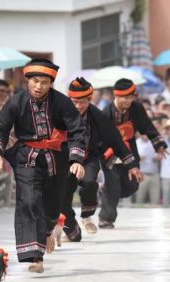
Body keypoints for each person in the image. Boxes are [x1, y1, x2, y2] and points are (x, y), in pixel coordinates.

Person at [0, 58, 86, 274]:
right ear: (27, 81)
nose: (38, 86)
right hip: (26, 159)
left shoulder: (62, 103)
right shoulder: (17, 101)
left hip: (56, 160)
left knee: (52, 208)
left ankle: (48, 229)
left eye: (44, 82)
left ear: (51, 83)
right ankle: (35, 257)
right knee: (29, 202)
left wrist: (77, 159)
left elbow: (78, 130)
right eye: (35, 81)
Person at [61, 77, 143, 240]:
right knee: (63, 194)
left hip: (88, 158)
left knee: (90, 183)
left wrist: (131, 164)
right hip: (65, 159)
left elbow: (116, 141)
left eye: (82, 102)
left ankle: (87, 215)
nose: (78, 106)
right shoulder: (60, 113)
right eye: (74, 102)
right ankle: (71, 229)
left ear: (89, 100)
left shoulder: (97, 116)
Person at [98, 78, 168, 229]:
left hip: (130, 150)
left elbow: (147, 126)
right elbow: (99, 139)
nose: (129, 101)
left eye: (131, 97)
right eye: (125, 98)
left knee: (132, 185)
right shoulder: (105, 114)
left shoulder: (136, 108)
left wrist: (158, 144)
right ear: (116, 96)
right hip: (110, 154)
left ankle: (105, 192)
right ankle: (106, 219)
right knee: (113, 186)